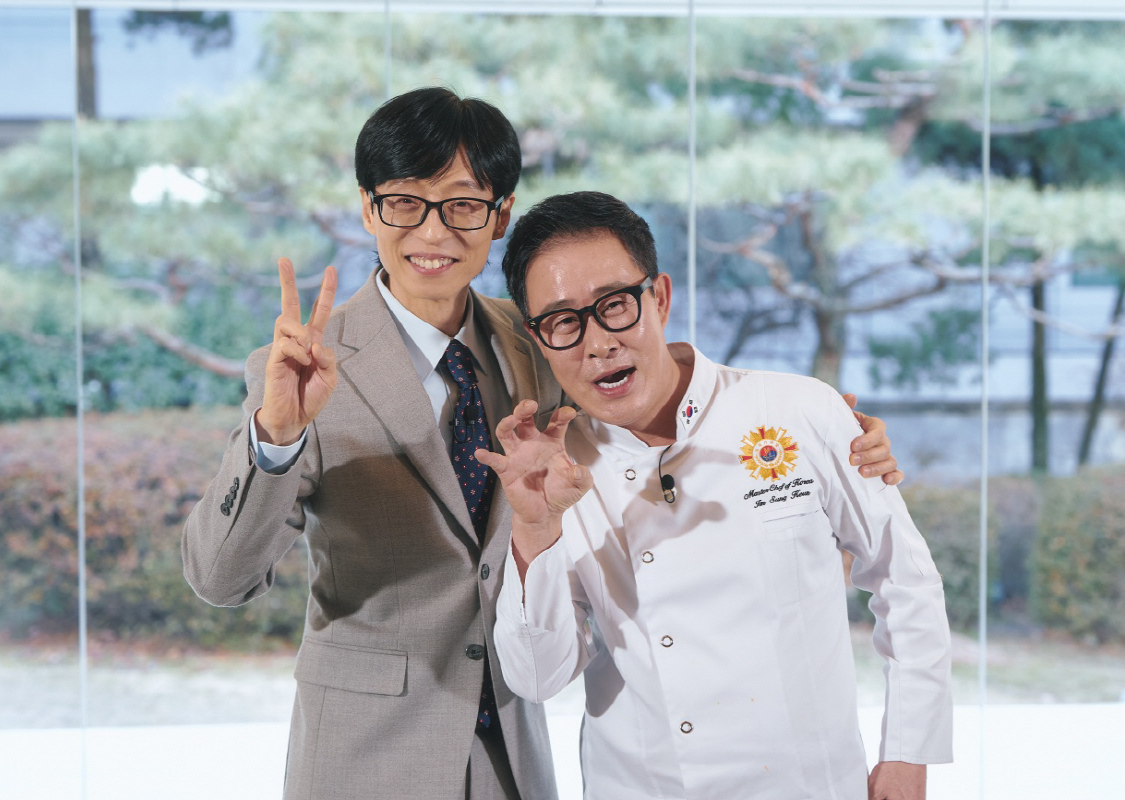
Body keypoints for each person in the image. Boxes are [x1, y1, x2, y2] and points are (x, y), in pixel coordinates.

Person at [182, 88, 902, 800]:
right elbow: (220, 580)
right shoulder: (303, 370)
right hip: (365, 757)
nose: (433, 232)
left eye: (462, 205)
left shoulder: (540, 339)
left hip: (513, 750)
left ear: (499, 217)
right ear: (370, 209)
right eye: (404, 202)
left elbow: (649, 386)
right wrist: (277, 436)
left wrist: (822, 432)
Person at [480, 191, 952, 800]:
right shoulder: (552, 471)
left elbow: (906, 581)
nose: (597, 343)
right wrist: (535, 529)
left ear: (660, 298)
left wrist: (908, 755)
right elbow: (537, 679)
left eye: (615, 305)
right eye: (564, 322)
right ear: (539, 338)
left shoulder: (797, 409)